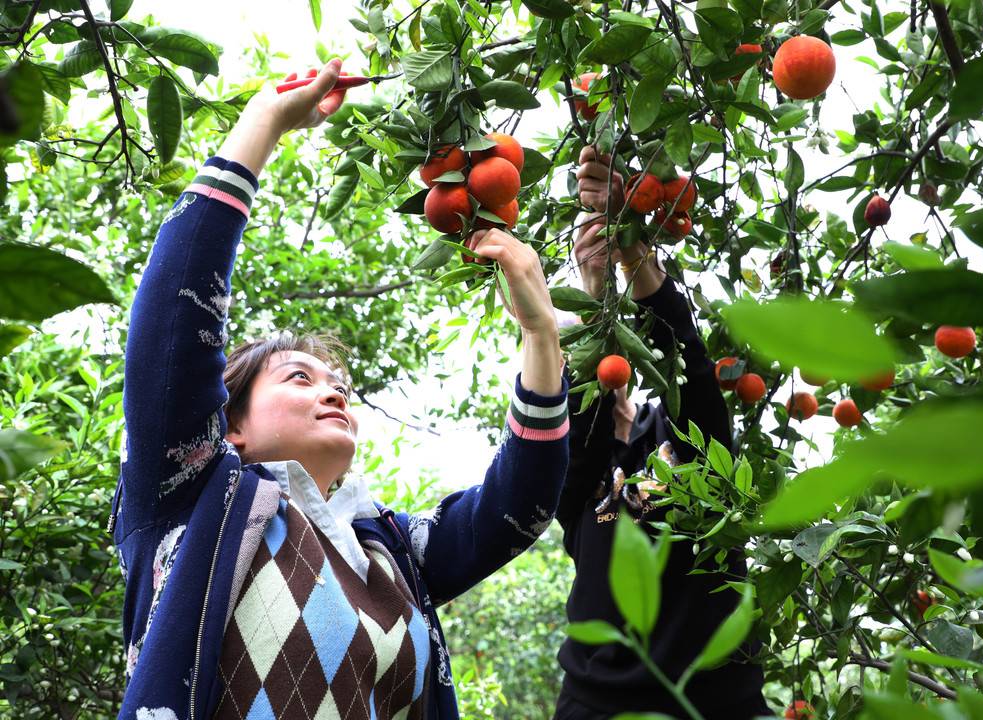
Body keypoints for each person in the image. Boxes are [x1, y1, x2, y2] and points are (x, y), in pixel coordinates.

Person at [111, 59, 569, 720]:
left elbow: (518, 506)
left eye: (340, 385)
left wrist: (539, 334)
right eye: (300, 377)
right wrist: (264, 120)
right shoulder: (191, 498)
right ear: (229, 425)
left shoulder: (388, 547)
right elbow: (171, 327)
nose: (335, 394)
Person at [553, 147, 768, 718]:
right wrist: (591, 285)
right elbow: (577, 428)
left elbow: (692, 370)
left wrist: (632, 252)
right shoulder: (576, 478)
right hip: (596, 705)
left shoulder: (685, 437)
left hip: (715, 704)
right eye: (582, 346)